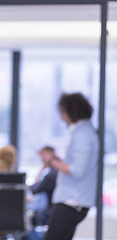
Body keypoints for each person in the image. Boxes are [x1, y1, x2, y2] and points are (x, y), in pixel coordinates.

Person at [43, 93, 99, 240]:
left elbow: (77, 170)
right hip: (74, 200)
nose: (62, 118)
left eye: (63, 113)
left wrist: (52, 162)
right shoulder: (85, 133)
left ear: (72, 112)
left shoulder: (83, 135)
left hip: (72, 201)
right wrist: (59, 162)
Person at [28, 146, 58, 226]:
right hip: (52, 209)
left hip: (49, 212)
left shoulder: (51, 174)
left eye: (43, 157)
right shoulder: (55, 171)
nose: (42, 160)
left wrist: (42, 169)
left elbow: (35, 189)